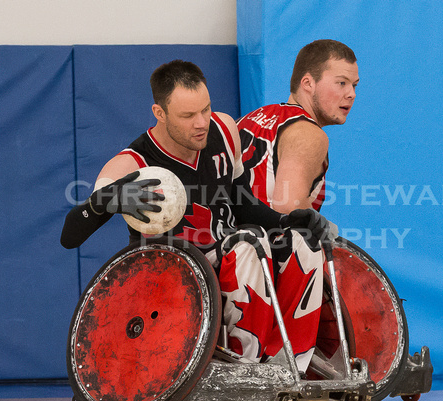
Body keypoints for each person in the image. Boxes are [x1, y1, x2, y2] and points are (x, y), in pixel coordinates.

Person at [60, 60, 331, 373]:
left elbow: (242, 206)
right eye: (188, 116)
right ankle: (247, 368)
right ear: (159, 113)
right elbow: (70, 236)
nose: (202, 122)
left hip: (236, 254)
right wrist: (105, 200)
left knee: (303, 242)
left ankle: (288, 365)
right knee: (249, 243)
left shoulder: (225, 131)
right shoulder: (132, 163)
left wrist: (288, 221)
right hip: (176, 273)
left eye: (206, 108)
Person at [237, 39, 359, 214]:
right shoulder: (309, 134)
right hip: (268, 238)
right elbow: (289, 207)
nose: (351, 94)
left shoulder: (249, 118)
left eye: (354, 85)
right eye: (341, 83)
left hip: (225, 236)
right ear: (308, 83)